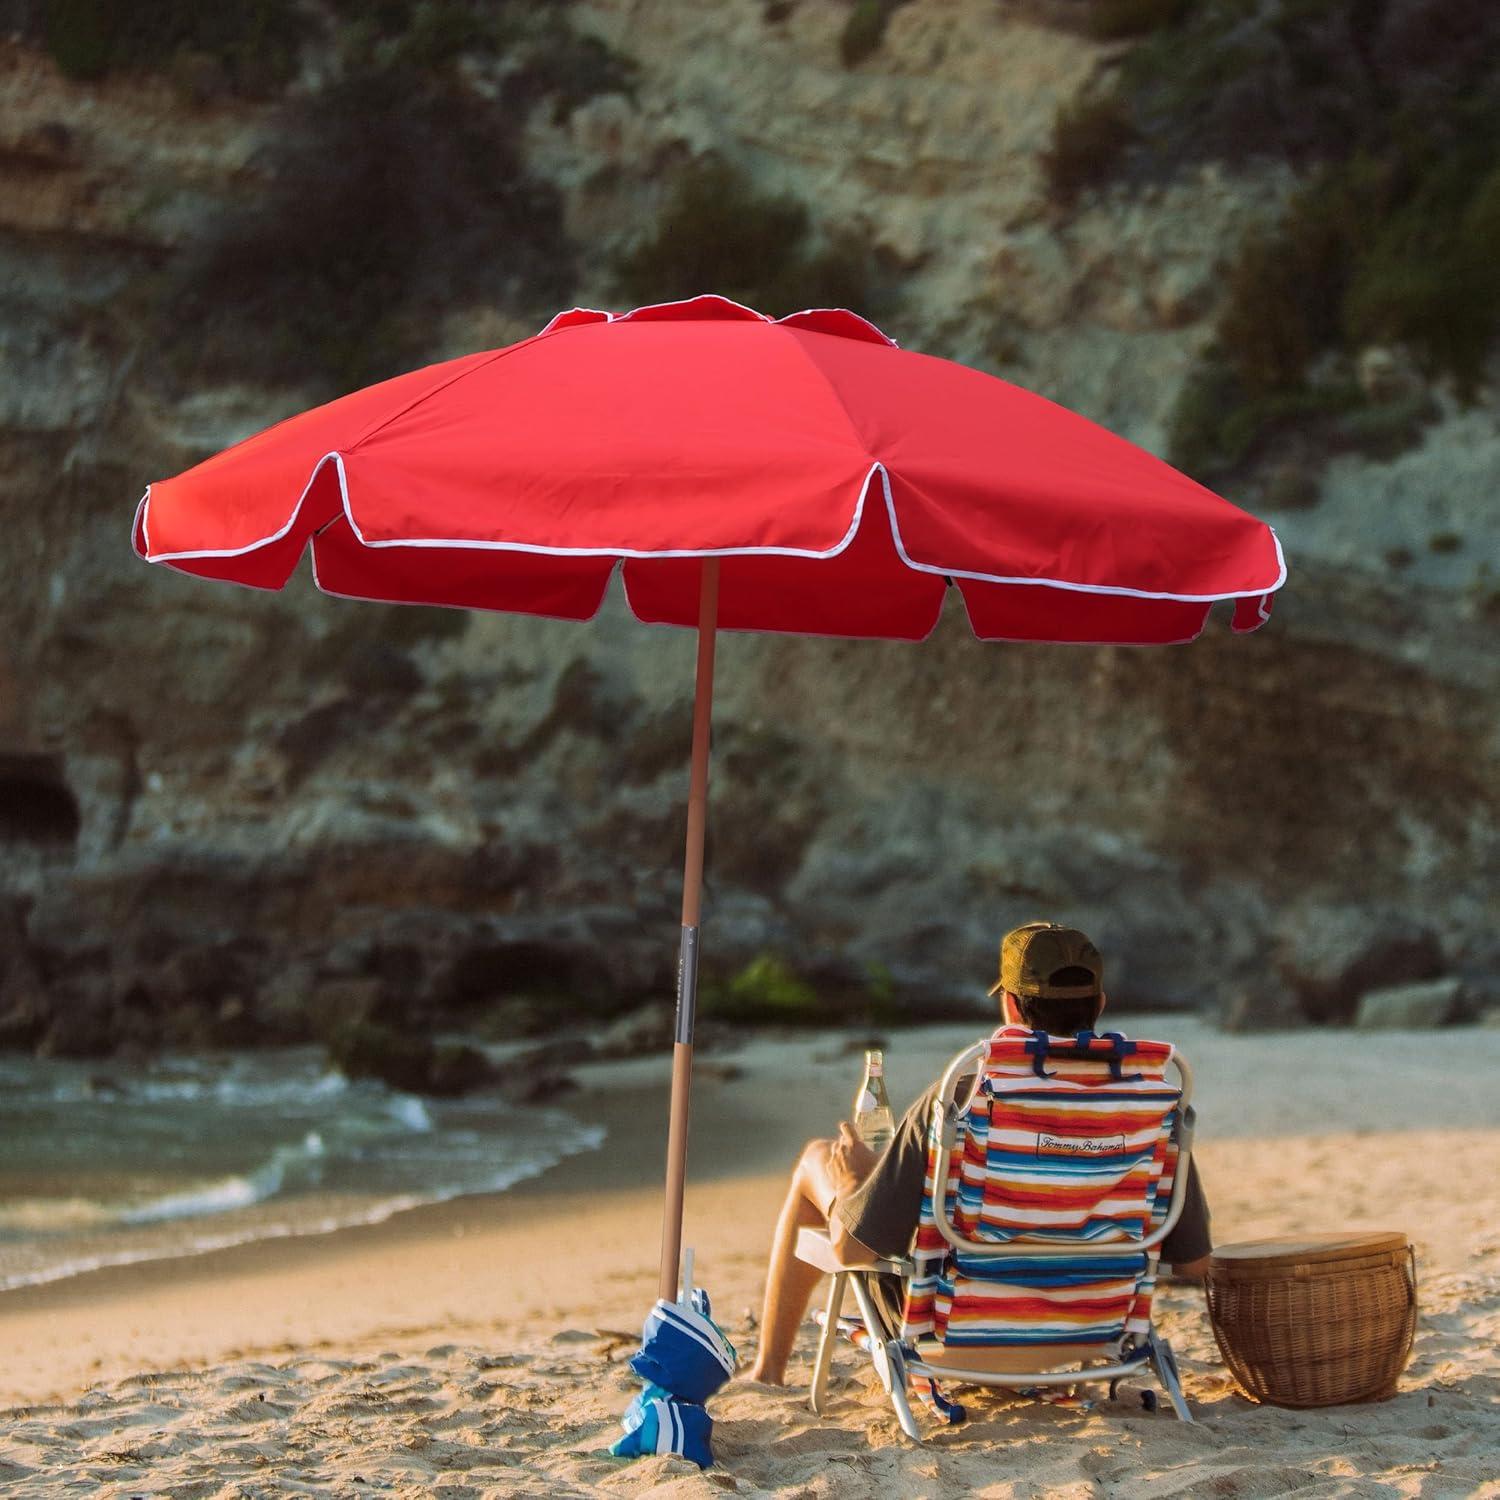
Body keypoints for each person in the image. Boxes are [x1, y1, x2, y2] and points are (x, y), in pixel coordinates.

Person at [748, 921, 1213, 1385]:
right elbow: (1193, 1263)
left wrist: (854, 1184)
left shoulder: (962, 1100)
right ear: (1101, 1004)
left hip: (956, 1336)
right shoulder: (1150, 1105)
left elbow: (852, 1248)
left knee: (817, 1159)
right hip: (1094, 1333)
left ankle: (768, 1371)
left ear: (1010, 1005)